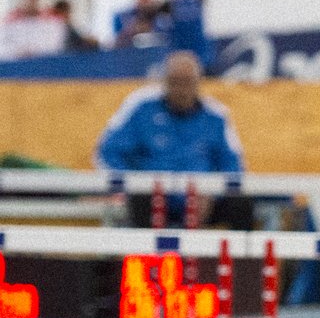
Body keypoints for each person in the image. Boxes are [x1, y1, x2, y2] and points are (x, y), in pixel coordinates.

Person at [95, 50, 251, 228]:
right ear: (164, 81)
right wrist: (132, 184)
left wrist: (213, 193)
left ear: (199, 82)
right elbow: (108, 151)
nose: (181, 89)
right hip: (151, 198)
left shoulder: (216, 117)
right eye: (175, 81)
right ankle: (145, 246)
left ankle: (245, 247)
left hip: (202, 200)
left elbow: (233, 165)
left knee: (240, 203)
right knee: (140, 195)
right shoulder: (141, 109)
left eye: (187, 82)